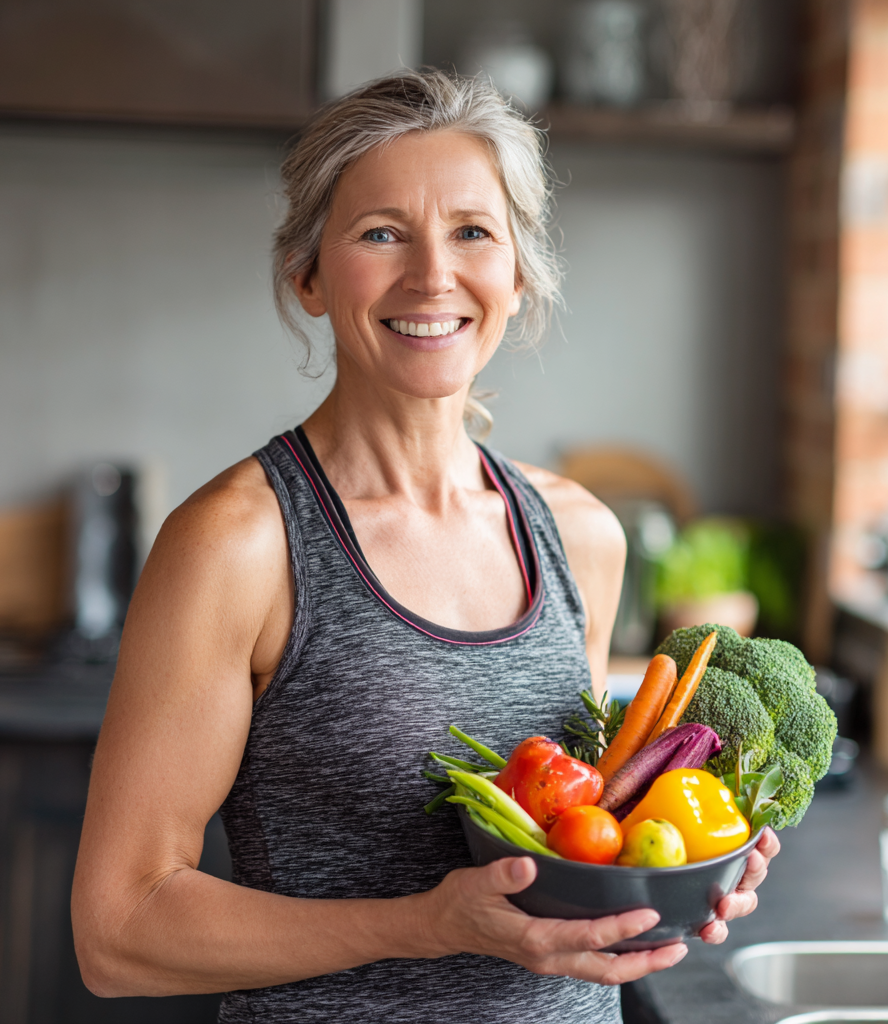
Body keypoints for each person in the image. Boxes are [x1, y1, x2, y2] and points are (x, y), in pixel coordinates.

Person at [71, 70, 780, 1023]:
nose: (432, 275)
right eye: (380, 233)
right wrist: (429, 922)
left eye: (473, 232)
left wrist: (685, 875)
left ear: (518, 273)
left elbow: (577, 840)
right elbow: (118, 931)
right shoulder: (239, 544)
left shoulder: (580, 536)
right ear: (308, 275)